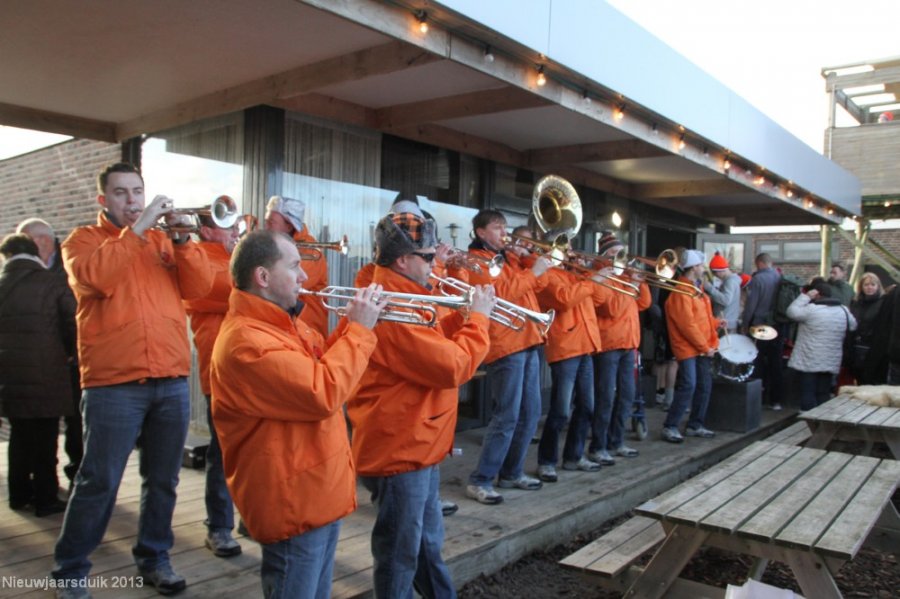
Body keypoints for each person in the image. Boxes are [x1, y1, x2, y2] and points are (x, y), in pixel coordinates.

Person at [52, 162, 214, 598]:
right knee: (99, 480)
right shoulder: (82, 241)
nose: (132, 201)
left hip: (170, 378)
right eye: (121, 193)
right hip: (113, 384)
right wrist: (138, 229)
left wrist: (183, 241)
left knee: (163, 480)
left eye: (137, 192)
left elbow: (199, 287)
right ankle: (69, 570)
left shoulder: (163, 241)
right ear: (103, 200)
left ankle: (155, 557)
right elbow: (95, 280)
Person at [210, 229, 384, 599]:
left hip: (314, 492)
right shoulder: (246, 342)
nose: (305, 276)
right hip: (292, 503)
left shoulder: (282, 323)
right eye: (294, 266)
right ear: (263, 277)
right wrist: (360, 332)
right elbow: (322, 392)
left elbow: (321, 364)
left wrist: (350, 326)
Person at [348, 209, 494, 598]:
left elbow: (433, 339)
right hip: (401, 448)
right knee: (399, 557)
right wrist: (478, 321)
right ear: (402, 260)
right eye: (428, 257)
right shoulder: (392, 307)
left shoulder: (408, 294)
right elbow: (451, 366)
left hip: (419, 443)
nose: (436, 263)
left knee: (426, 548)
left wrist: (463, 314)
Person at [462, 209, 552, 505]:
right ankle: (481, 479)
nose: (504, 232)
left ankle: (512, 472)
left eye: (505, 227)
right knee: (508, 415)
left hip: (528, 339)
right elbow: (500, 293)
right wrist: (533, 270)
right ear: (480, 233)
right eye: (497, 227)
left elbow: (534, 288)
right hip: (505, 343)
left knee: (529, 414)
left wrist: (528, 260)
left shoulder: (508, 258)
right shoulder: (475, 260)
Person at [182, 201, 243, 558]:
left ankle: (251, 515)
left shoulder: (232, 257)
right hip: (219, 370)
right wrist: (246, 262)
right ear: (206, 230)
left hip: (250, 367)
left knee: (254, 451)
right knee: (222, 455)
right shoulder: (197, 260)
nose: (235, 230)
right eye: (227, 224)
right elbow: (226, 291)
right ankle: (218, 527)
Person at [0, 234, 76, 516]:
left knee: (19, 435)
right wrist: (67, 354)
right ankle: (46, 498)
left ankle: (18, 495)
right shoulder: (52, 283)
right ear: (36, 254)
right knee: (46, 438)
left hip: (10, 376)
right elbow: (72, 323)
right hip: (48, 373)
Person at [533, 235, 609, 481]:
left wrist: (592, 275)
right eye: (563, 249)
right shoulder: (547, 275)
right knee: (560, 410)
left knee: (587, 406)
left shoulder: (576, 274)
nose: (569, 252)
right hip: (565, 346)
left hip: (586, 345)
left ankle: (574, 456)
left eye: (569, 248)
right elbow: (564, 300)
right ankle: (546, 461)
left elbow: (599, 300)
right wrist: (591, 279)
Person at [16, 218, 83, 487]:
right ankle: (43, 483)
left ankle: (77, 474)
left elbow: (75, 314)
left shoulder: (67, 263)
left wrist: (72, 353)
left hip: (72, 359)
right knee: (43, 426)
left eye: (25, 242)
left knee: (77, 423)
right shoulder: (28, 269)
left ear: (42, 240)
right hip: (43, 361)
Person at [588, 234, 651, 464]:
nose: (621, 258)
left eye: (622, 253)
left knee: (627, 395)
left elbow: (643, 304)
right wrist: (632, 284)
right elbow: (612, 309)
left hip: (629, 343)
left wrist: (640, 282)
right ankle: (598, 446)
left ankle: (617, 441)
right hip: (609, 345)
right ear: (604, 256)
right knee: (605, 396)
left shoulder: (624, 276)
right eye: (615, 254)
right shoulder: (601, 278)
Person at [661, 250, 719, 443]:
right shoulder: (682, 291)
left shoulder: (696, 288)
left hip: (700, 346)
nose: (704, 268)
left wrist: (717, 324)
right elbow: (688, 325)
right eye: (701, 265)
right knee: (689, 385)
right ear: (694, 267)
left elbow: (700, 319)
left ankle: (695, 424)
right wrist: (705, 346)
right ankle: (671, 426)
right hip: (689, 347)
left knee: (703, 385)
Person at [264, 195, 329, 337]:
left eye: (271, 222)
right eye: (266, 221)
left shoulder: (311, 252)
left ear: (289, 225)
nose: (265, 227)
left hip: (309, 331)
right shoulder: (274, 247)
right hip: (287, 330)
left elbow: (281, 283)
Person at [786, 278, 856, 411]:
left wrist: (805, 296)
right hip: (831, 358)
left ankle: (806, 420)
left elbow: (791, 311)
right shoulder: (843, 310)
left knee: (808, 391)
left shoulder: (811, 309)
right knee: (823, 392)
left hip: (809, 359)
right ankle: (822, 418)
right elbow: (853, 325)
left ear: (817, 294)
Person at [741, 253, 784, 410]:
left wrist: (746, 324)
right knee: (776, 362)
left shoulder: (758, 279)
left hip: (760, 325)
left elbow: (751, 305)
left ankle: (757, 399)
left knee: (758, 361)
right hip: (778, 325)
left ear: (759, 263)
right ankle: (776, 401)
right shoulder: (780, 277)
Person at [847, 272, 885, 384]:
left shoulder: (883, 303)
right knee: (858, 375)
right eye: (866, 285)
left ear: (878, 286)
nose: (869, 287)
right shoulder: (855, 303)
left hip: (874, 344)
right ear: (861, 287)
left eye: (872, 285)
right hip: (857, 344)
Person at [703, 252, 741, 333]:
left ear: (719, 271)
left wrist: (709, 288)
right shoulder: (731, 281)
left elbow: (725, 300)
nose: (715, 276)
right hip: (726, 322)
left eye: (715, 273)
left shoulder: (730, 282)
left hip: (725, 324)